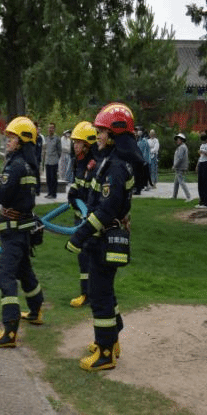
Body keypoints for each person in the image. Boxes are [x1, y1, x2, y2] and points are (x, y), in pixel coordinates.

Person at [65, 102, 138, 371]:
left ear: (115, 134)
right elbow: (97, 200)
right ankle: (111, 339)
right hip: (102, 239)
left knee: (99, 294)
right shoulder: (109, 161)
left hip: (105, 239)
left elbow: (106, 210)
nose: (98, 136)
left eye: (102, 131)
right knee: (104, 291)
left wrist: (79, 236)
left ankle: (105, 353)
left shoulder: (115, 166)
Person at [0, 116, 43, 349]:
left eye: (12, 137)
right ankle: (36, 310)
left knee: (5, 275)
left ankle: (9, 330)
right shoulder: (27, 164)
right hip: (22, 230)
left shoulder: (16, 165)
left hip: (14, 232)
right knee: (24, 271)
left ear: (22, 141)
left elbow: (2, 195)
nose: (7, 140)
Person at [66, 121, 98, 308]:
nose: (74, 145)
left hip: (90, 219)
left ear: (87, 145)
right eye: (74, 142)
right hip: (81, 218)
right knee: (82, 256)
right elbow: (79, 183)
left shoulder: (94, 165)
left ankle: (88, 294)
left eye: (78, 142)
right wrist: (73, 192)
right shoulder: (79, 162)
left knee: (88, 255)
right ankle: (87, 293)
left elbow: (92, 194)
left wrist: (82, 203)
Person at [43, 122, 62, 198]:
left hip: (54, 161)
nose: (50, 129)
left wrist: (57, 158)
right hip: (47, 161)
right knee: (48, 178)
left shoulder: (57, 138)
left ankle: (53, 194)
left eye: (52, 128)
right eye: (49, 128)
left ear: (54, 129)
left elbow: (59, 150)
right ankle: (49, 192)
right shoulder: (46, 138)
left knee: (53, 178)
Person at [172, 132, 192, 202]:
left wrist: (175, 165)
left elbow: (180, 158)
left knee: (181, 182)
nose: (177, 141)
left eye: (178, 139)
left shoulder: (182, 147)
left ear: (182, 140)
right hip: (179, 167)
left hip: (180, 167)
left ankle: (188, 197)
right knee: (176, 182)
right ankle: (174, 196)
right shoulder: (182, 147)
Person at [197, 133, 207, 209]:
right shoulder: (201, 145)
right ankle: (201, 200)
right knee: (200, 182)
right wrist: (197, 165)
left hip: (205, 163)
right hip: (201, 162)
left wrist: (203, 152)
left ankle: (206, 202)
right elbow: (200, 156)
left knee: (205, 182)